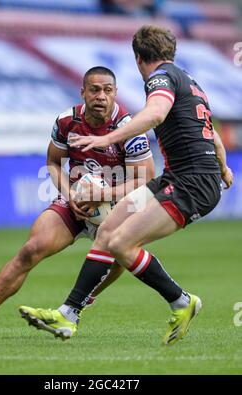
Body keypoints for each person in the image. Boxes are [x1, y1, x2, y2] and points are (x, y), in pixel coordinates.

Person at [21, 26, 234, 345]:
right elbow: (212, 133)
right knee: (108, 232)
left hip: (191, 184)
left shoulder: (160, 79)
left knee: (121, 243)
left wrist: (106, 137)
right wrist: (224, 167)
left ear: (138, 58)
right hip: (179, 177)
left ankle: (181, 301)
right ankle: (68, 313)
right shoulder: (189, 81)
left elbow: (156, 113)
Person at [0, 66, 155, 340]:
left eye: (108, 90)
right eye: (94, 89)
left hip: (116, 208)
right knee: (30, 249)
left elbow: (146, 179)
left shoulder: (129, 129)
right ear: (83, 91)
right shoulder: (66, 121)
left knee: (120, 258)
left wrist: (103, 196)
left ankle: (74, 309)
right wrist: (70, 196)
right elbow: (53, 162)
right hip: (75, 204)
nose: (101, 96)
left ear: (115, 93)